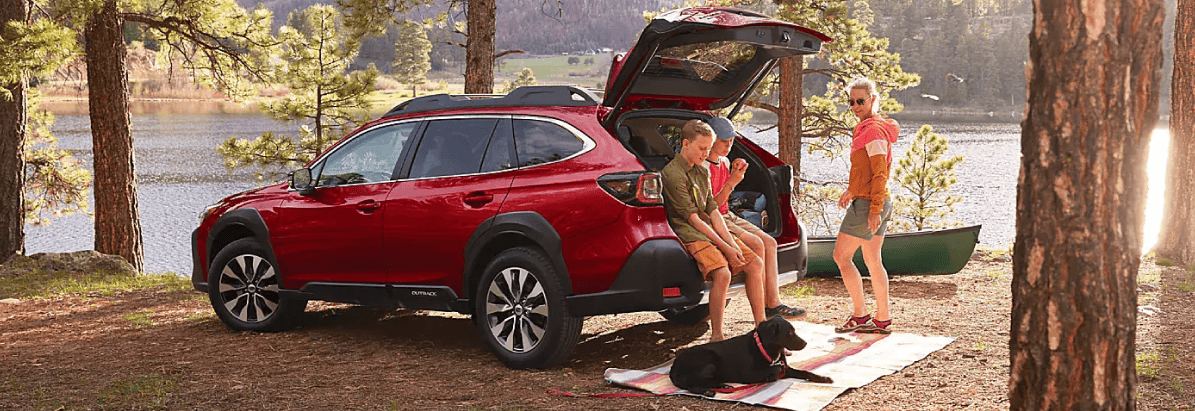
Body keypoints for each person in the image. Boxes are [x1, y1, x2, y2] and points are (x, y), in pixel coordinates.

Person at [661, 120, 768, 342]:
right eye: (702, 149)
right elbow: (693, 218)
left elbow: (713, 211)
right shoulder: (672, 174)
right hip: (690, 231)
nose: (705, 154)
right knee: (723, 273)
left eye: (709, 149)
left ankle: (762, 327)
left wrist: (732, 244)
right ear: (686, 144)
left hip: (708, 227)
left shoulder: (702, 171)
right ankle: (717, 336)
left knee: (755, 263)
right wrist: (727, 248)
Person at [704, 116, 808, 319]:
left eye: (731, 140)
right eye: (723, 140)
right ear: (711, 139)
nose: (728, 145)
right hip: (717, 217)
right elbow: (712, 207)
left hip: (729, 215)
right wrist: (733, 182)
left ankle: (773, 303)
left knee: (770, 242)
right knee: (758, 244)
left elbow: (725, 202)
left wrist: (735, 175)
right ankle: (760, 313)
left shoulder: (724, 162)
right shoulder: (704, 168)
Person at [833, 77, 900, 334]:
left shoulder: (872, 130)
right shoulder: (871, 127)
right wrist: (852, 189)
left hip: (871, 203)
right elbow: (868, 170)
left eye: (861, 101)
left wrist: (873, 209)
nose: (856, 106)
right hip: (876, 200)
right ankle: (882, 319)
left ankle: (861, 316)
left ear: (873, 99)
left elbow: (880, 172)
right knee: (872, 259)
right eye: (851, 102)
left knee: (841, 256)